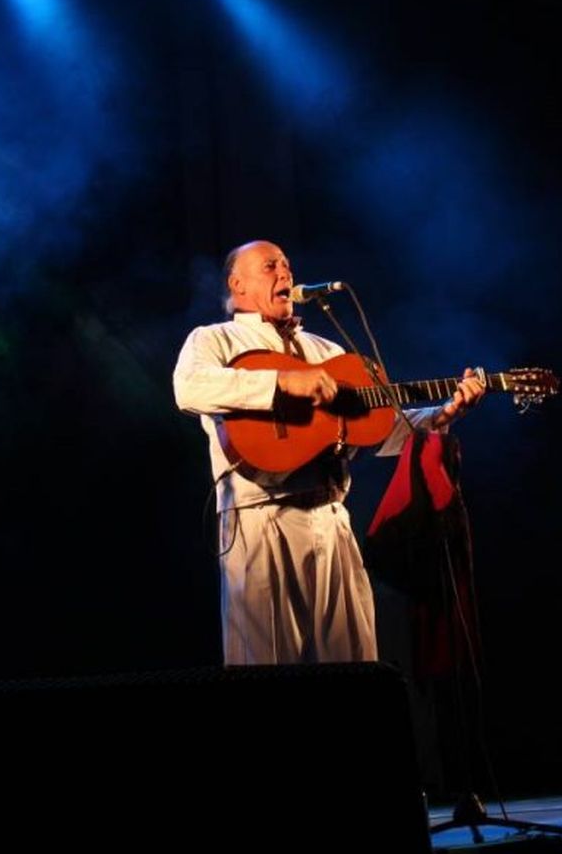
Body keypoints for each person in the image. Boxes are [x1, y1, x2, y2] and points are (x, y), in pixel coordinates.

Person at [173, 239, 486, 665]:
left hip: (331, 521)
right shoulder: (215, 339)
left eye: (286, 264)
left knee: (353, 668)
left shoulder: (328, 352)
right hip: (261, 520)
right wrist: (282, 383)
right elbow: (188, 387)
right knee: (267, 670)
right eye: (270, 266)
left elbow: (379, 431)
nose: (285, 273)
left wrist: (443, 412)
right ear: (238, 284)